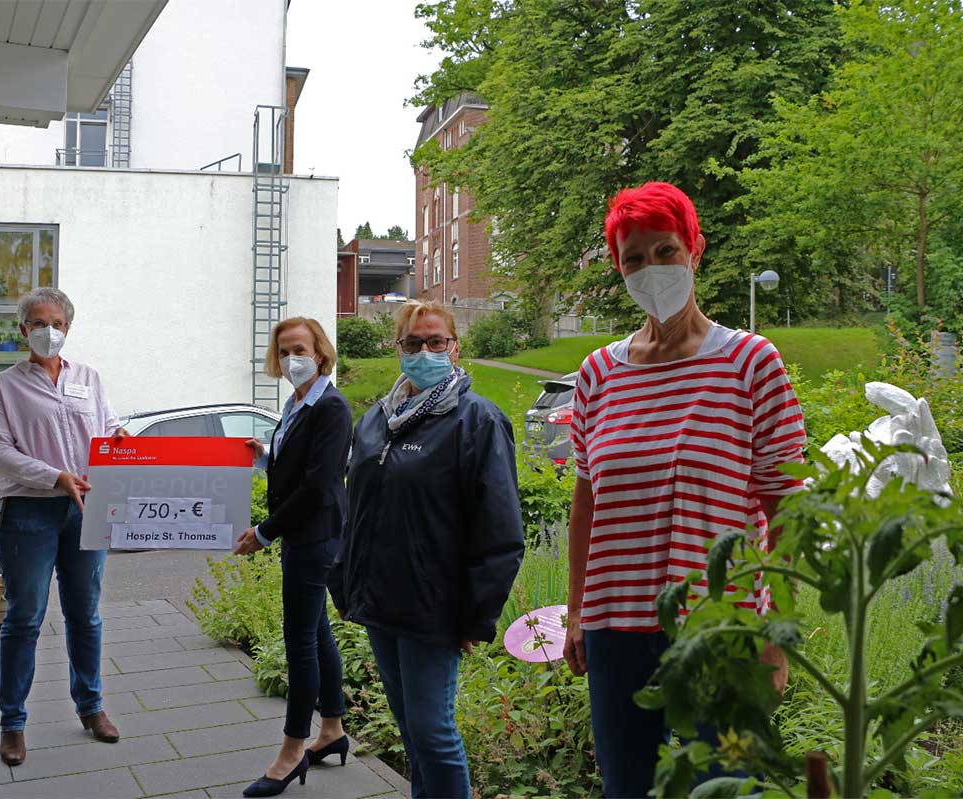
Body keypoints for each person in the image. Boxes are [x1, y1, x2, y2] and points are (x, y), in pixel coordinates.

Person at [562, 182, 806, 798]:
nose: (651, 268)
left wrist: (775, 640)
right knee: (626, 790)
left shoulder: (751, 364)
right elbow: (586, 506)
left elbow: (787, 512)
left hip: (720, 627)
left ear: (695, 250)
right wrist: (575, 611)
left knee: (724, 788)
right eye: (634, 258)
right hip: (616, 628)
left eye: (664, 250)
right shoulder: (598, 375)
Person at [331, 300, 525, 799]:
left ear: (454, 347)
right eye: (413, 343)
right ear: (398, 349)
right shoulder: (377, 419)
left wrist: (474, 617)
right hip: (380, 603)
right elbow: (355, 509)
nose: (424, 351)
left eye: (435, 342)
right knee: (412, 731)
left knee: (434, 734)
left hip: (433, 610)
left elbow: (500, 530)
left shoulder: (476, 420)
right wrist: (345, 585)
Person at [0, 287, 127, 767]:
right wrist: (54, 477)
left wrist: (121, 437)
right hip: (28, 512)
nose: (50, 331)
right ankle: (13, 724)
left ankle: (91, 707)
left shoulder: (89, 377)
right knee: (24, 619)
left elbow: (106, 430)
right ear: (23, 330)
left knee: (85, 616)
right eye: (40, 323)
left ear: (69, 328)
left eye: (58, 323)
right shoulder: (5, 386)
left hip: (85, 509)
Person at [232, 317, 352, 798]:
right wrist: (264, 456)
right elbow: (297, 466)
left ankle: (290, 752)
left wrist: (263, 532)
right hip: (304, 535)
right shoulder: (299, 401)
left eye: (298, 349)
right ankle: (333, 731)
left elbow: (319, 484)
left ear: (320, 352)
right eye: (282, 352)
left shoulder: (331, 407)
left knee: (299, 641)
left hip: (315, 536)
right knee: (317, 634)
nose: (289, 360)